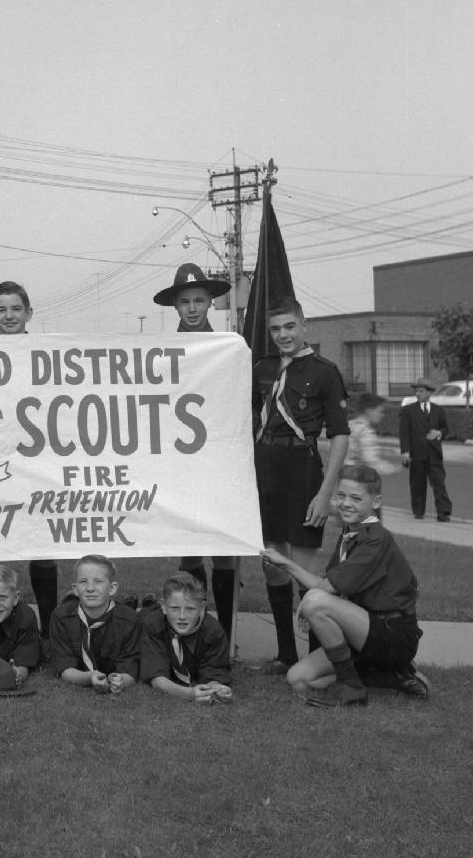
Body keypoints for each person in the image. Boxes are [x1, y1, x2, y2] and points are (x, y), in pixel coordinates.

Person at [260, 464, 430, 706]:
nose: (346, 503)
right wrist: (311, 605)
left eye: (356, 498)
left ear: (376, 502)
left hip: (393, 635)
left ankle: (351, 685)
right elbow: (332, 585)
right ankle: (388, 675)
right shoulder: (352, 532)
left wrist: (284, 563)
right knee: (298, 679)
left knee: (315, 600)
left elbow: (324, 589)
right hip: (363, 630)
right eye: (340, 495)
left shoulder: (375, 539)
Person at [253, 297, 349, 674]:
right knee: (272, 563)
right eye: (276, 329)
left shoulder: (325, 371)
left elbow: (340, 437)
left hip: (303, 469)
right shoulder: (262, 368)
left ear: (303, 324)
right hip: (265, 467)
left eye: (289, 327)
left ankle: (314, 657)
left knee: (306, 567)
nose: (283, 335)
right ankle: (284, 655)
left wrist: (326, 493)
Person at [0, 280, 58, 633]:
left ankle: (50, 630)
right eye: (1, 310)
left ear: (29, 312)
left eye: (16, 309)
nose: (9, 316)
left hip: (37, 459)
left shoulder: (47, 351)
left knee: (43, 541)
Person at [153, 262, 237, 639]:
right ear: (175, 306)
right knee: (190, 552)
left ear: (210, 303)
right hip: (181, 464)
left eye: (199, 301)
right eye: (185, 301)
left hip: (218, 461)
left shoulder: (228, 349)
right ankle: (192, 630)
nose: (192, 308)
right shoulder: (160, 352)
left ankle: (227, 632)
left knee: (223, 549)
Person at [48, 554, 141, 693]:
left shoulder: (130, 620)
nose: (90, 588)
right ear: (75, 589)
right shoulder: (60, 617)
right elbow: (64, 667)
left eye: (98, 581)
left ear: (112, 588)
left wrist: (121, 680)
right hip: (83, 674)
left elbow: (130, 668)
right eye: (83, 582)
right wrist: (89, 677)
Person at [140, 571, 233, 704]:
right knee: (139, 615)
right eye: (175, 608)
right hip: (140, 618)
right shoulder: (153, 626)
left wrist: (216, 688)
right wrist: (188, 693)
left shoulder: (214, 633)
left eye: (190, 609)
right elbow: (156, 678)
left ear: (202, 608)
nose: (182, 616)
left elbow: (214, 671)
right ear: (164, 606)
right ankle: (143, 604)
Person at [399, 377, 452, 522]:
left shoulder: (438, 410)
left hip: (434, 453)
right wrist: (405, 451)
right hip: (416, 453)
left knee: (439, 483)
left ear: (429, 393)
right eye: (416, 391)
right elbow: (404, 432)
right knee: (417, 484)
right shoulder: (408, 410)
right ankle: (418, 511)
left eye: (421, 391)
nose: (417, 394)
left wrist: (439, 433)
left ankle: (443, 513)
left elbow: (445, 428)